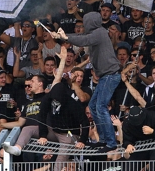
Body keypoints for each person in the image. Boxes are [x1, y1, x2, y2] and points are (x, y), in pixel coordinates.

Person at [50, 12, 121, 149]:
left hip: (110, 75)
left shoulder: (100, 32)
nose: (84, 25)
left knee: (100, 107)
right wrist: (61, 36)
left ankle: (111, 143)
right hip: (105, 77)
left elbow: (84, 40)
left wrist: (66, 37)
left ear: (90, 22)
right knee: (93, 107)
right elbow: (81, 37)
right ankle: (104, 139)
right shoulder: (96, 34)